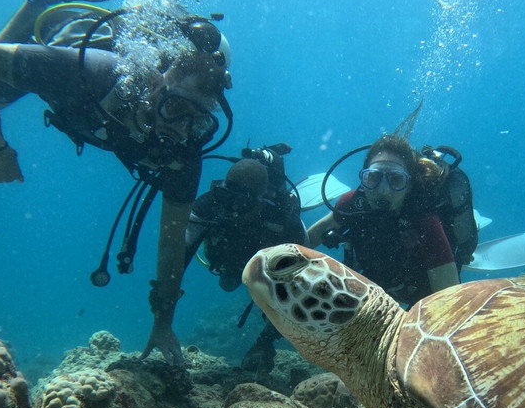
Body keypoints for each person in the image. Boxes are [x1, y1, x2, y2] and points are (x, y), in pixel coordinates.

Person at [0, 0, 240, 366]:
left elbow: (170, 246)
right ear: (153, 83)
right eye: (174, 108)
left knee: (0, 94)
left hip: (89, 103)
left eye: (197, 121)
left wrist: (163, 322)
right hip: (69, 48)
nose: (178, 129)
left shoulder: (184, 152)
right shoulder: (93, 72)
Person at [182, 144, 309, 371]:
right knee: (228, 284)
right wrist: (163, 310)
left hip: (268, 272)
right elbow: (179, 252)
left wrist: (266, 341)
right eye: (228, 197)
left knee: (278, 293)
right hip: (229, 265)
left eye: (244, 202)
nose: (233, 209)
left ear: (264, 199)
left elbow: (298, 291)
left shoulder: (286, 223)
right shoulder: (209, 204)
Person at [306, 135, 470, 307]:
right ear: (362, 179)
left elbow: (449, 303)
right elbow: (305, 242)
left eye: (396, 180)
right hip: (374, 284)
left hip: (419, 293)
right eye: (374, 178)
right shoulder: (351, 205)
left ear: (409, 185)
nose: (383, 190)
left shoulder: (425, 222)